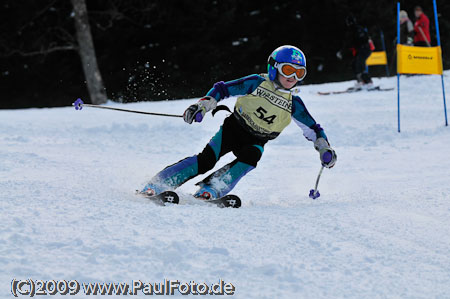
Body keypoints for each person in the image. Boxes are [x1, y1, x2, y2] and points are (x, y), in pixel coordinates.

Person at [140, 45, 337, 200]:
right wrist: (202, 106)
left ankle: (212, 189)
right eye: (288, 70)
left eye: (299, 73)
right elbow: (223, 89)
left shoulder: (294, 103)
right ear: (274, 67)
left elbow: (313, 129)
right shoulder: (257, 82)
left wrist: (324, 149)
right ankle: (159, 183)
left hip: (258, 140)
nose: (292, 77)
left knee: (249, 161)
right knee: (206, 160)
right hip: (233, 129)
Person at [336, 15, 374, 90]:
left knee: (360, 64)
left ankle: (368, 82)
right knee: (355, 64)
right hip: (363, 49)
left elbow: (349, 42)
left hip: (364, 49)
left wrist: (342, 51)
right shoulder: (356, 29)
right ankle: (361, 81)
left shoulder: (355, 30)